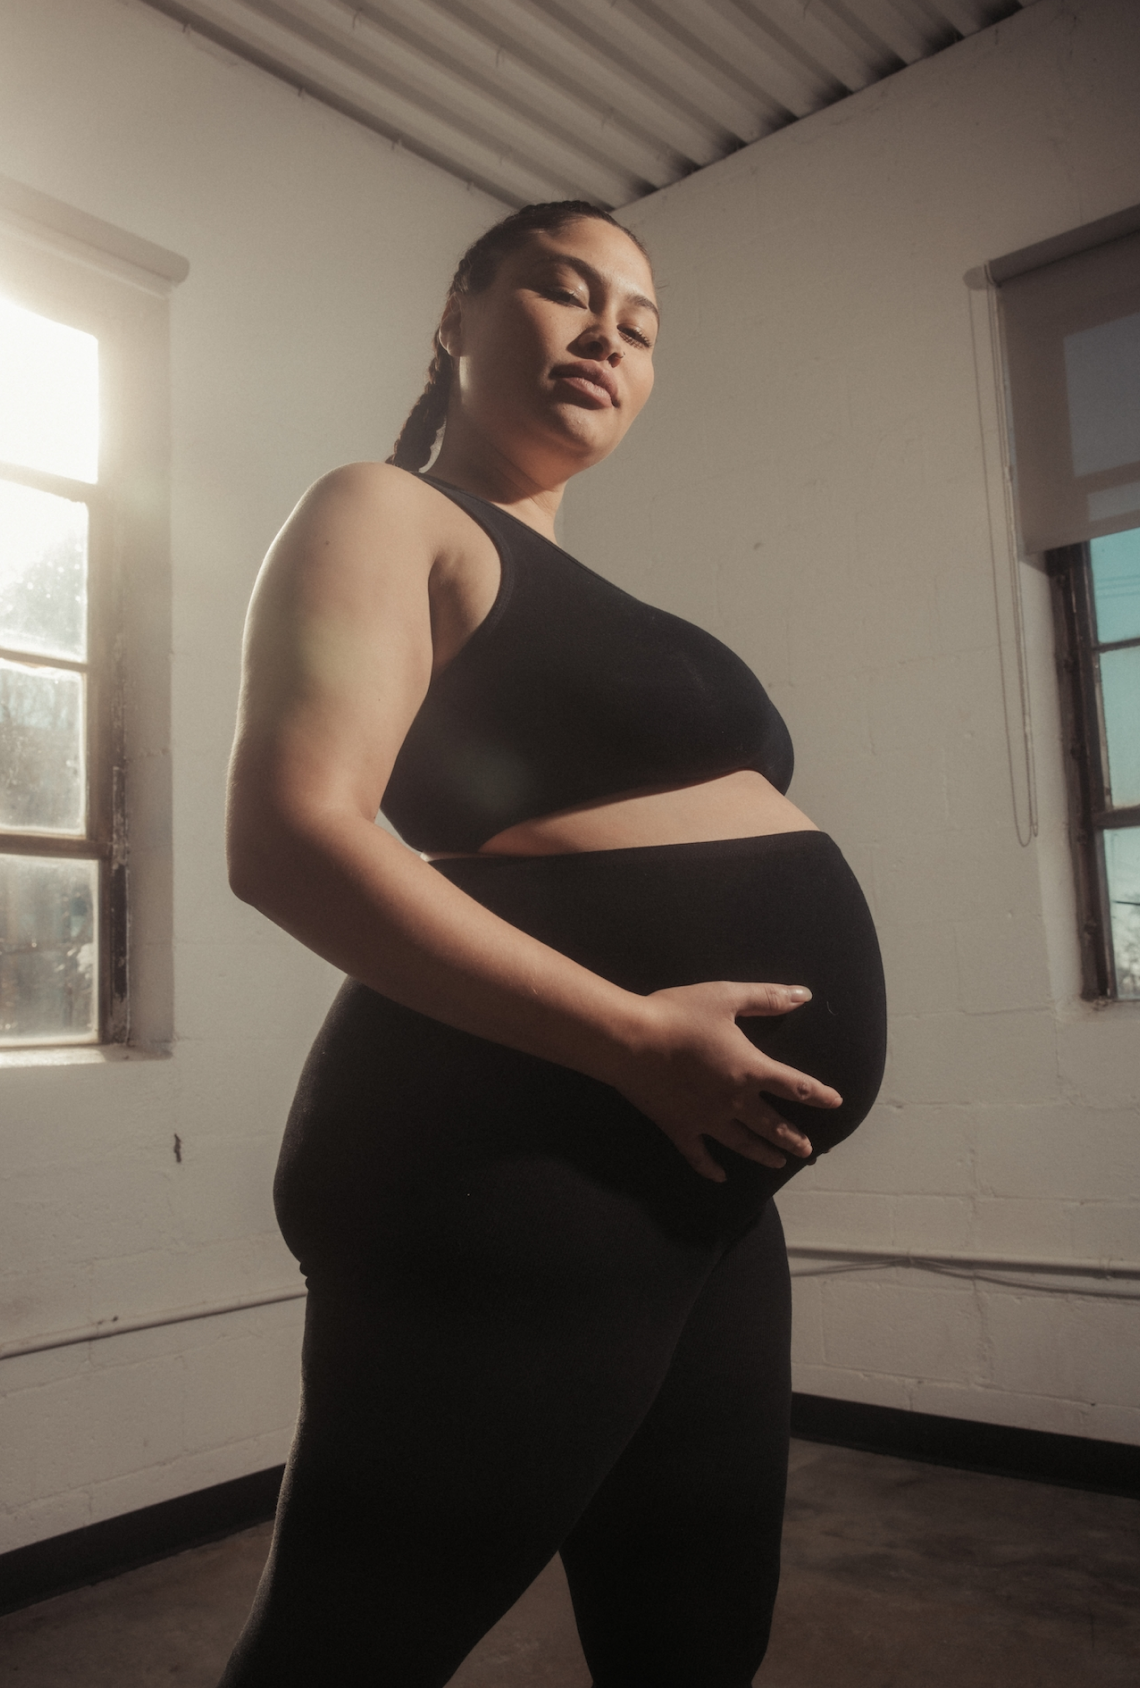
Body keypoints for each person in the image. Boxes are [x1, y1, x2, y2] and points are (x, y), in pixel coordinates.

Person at [220, 200, 887, 1688]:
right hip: (519, 1146)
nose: (607, 335)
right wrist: (637, 1038)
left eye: (639, 325)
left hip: (704, 1172)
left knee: (695, 1640)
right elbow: (286, 837)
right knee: (351, 1643)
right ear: (456, 317)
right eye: (565, 294)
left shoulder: (609, 597)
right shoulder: (383, 510)